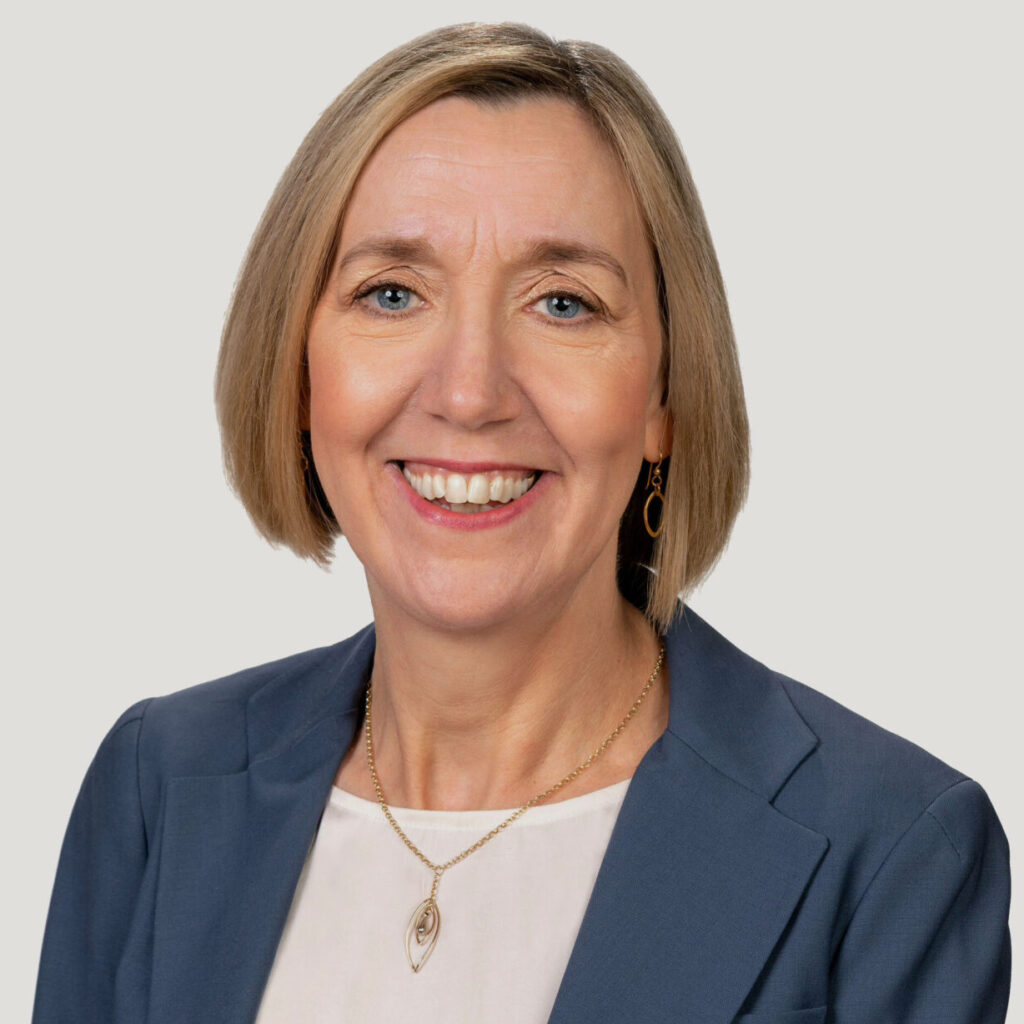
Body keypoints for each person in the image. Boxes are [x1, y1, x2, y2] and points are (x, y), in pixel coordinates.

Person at [31, 21, 1010, 1024]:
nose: (467, 392)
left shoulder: (887, 848)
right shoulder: (156, 786)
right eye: (393, 291)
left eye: (563, 304)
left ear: (663, 398)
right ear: (297, 372)